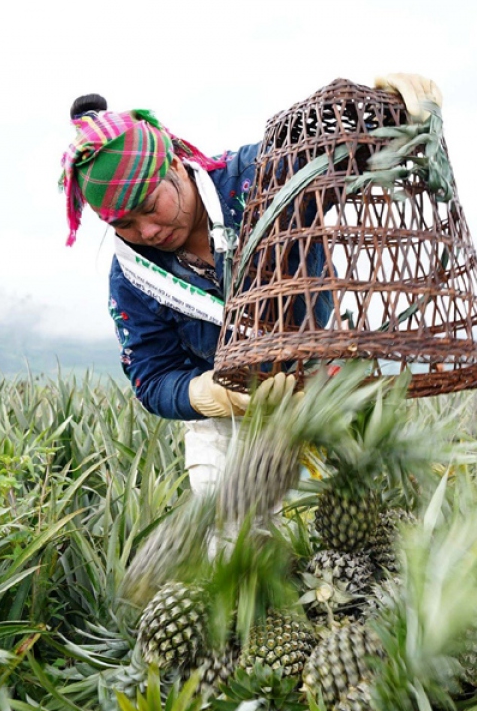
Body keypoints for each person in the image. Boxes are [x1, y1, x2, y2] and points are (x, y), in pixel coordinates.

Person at [58, 74, 443, 494]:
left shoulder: (258, 179)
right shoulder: (133, 278)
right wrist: (211, 394)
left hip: (320, 390)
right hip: (225, 427)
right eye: (124, 224)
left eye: (150, 206)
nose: (147, 231)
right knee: (229, 549)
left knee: (330, 533)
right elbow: (152, 377)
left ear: (173, 163)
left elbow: (339, 152)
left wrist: (391, 111)